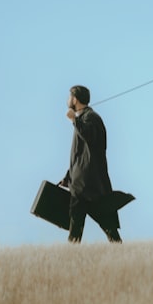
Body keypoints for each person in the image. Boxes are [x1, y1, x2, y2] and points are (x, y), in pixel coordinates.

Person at [59, 85, 129, 244]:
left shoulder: (91, 118)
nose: (68, 99)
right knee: (77, 224)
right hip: (81, 183)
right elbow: (79, 154)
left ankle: (118, 247)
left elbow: (90, 138)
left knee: (104, 222)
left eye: (70, 96)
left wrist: (73, 120)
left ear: (75, 99)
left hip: (89, 184)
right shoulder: (83, 118)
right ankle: (71, 256)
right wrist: (68, 176)